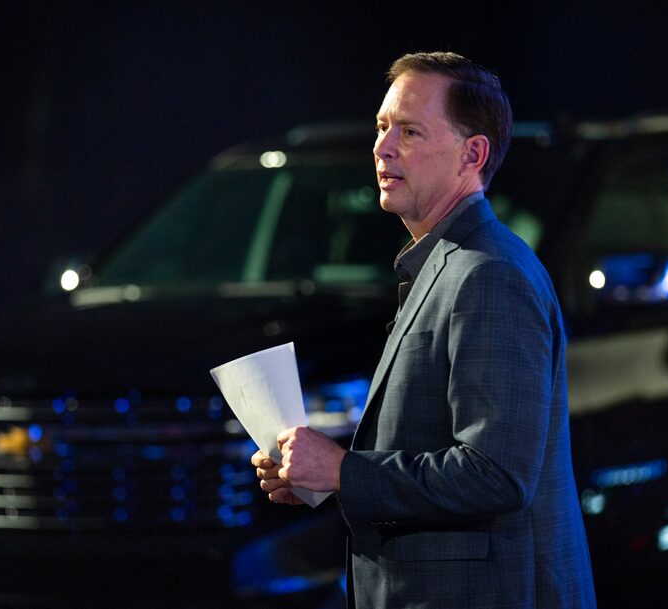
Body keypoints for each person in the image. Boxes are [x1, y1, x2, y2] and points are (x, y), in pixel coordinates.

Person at [251, 51, 597, 609]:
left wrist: (344, 470)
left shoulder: (489, 275)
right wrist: (322, 475)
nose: (383, 147)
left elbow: (496, 474)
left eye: (409, 131)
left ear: (473, 154)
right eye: (383, 127)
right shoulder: (448, 264)